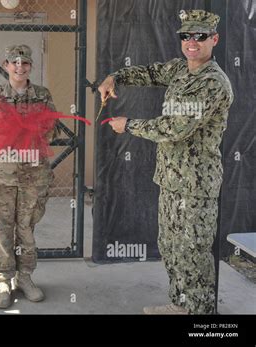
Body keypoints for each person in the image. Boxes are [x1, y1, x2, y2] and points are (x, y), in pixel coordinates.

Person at [98, 10, 233, 314]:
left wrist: (128, 124)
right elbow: (149, 72)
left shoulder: (213, 83)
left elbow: (176, 128)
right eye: (186, 36)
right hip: (171, 179)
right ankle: (180, 306)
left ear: (214, 39)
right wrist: (114, 77)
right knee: (172, 250)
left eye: (199, 36)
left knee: (193, 254)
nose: (191, 42)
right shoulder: (180, 70)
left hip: (195, 185)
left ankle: (202, 319)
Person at [0, 44, 58, 309]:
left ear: (30, 67)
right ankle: (3, 280)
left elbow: (51, 129)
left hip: (32, 174)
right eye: (15, 62)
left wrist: (30, 131)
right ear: (6, 65)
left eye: (25, 63)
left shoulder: (42, 95)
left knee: (26, 227)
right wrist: (14, 129)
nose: (20, 67)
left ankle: (25, 277)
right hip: (2, 174)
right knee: (1, 227)